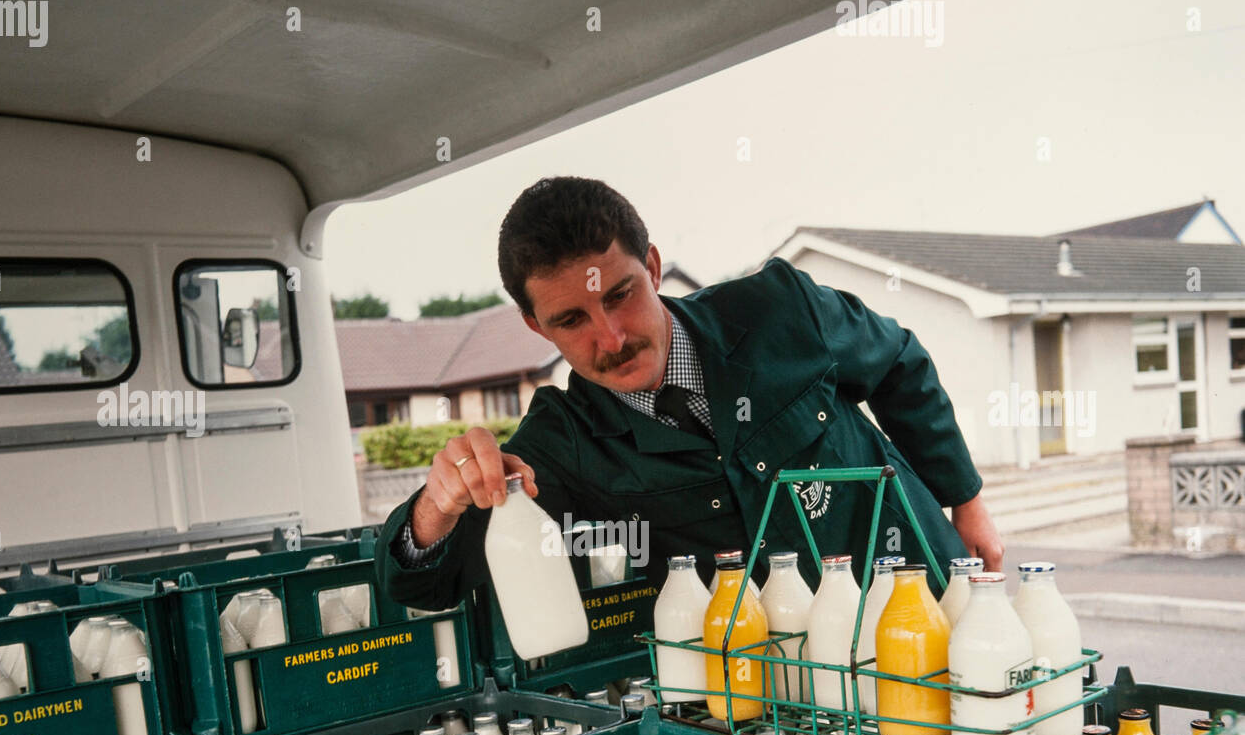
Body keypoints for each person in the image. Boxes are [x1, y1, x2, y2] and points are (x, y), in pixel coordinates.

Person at [376, 177, 1002, 607]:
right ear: (536, 326)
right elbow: (422, 586)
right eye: (572, 321)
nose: (612, 337)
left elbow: (900, 364)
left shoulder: (780, 310)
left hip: (934, 599)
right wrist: (438, 506)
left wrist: (965, 497)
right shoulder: (560, 445)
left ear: (651, 266)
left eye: (619, 295)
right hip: (791, 694)